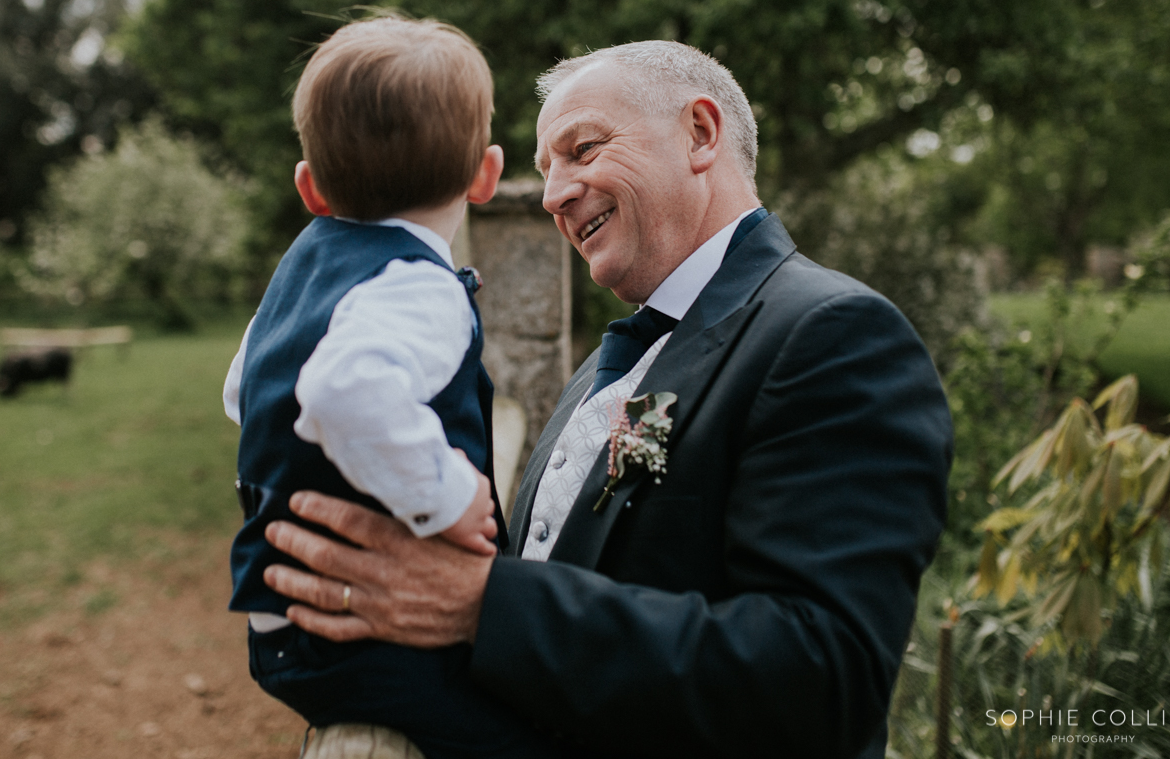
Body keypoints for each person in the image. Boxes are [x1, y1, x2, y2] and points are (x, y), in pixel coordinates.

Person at [259, 40, 955, 759]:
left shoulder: (833, 334)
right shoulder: (605, 366)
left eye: (582, 150)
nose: (556, 192)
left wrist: (480, 604)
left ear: (700, 134)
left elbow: (822, 679)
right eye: (545, 168)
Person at [222, 16, 558, 759]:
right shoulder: (417, 287)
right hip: (365, 636)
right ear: (487, 173)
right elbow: (342, 391)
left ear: (310, 187)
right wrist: (448, 493)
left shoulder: (305, 263)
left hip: (289, 620)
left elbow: (245, 389)